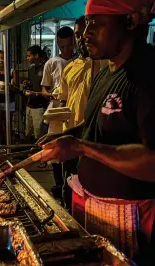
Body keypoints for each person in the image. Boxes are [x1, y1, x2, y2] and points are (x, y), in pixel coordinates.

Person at [37, 0, 155, 264]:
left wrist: (81, 147)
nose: (85, 33)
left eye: (96, 24)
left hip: (136, 221)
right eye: (85, 24)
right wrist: (68, 138)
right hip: (99, 212)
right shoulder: (106, 73)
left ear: (130, 22)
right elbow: (98, 130)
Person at [55, 17, 108, 211]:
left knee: (89, 186)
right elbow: (63, 100)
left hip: (93, 139)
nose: (82, 39)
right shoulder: (70, 67)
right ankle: (69, 213)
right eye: (78, 35)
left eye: (86, 33)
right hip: (70, 132)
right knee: (68, 181)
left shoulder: (105, 66)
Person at [40, 26, 75, 200]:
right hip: (55, 112)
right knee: (54, 147)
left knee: (71, 147)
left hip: (74, 112)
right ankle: (58, 183)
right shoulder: (52, 63)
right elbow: (44, 89)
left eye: (69, 46)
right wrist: (53, 96)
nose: (67, 50)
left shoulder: (81, 63)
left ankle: (70, 185)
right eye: (63, 47)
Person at [0, 50, 18, 144]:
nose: (1, 60)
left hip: (8, 101)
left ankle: (8, 146)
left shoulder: (12, 70)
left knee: (8, 126)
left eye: (3, 58)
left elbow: (16, 87)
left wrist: (9, 86)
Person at [24, 45, 48, 141]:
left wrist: (36, 93)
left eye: (29, 56)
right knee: (28, 132)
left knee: (39, 134)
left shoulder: (46, 68)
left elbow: (47, 89)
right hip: (30, 105)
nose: (27, 58)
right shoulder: (31, 69)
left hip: (39, 106)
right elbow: (30, 83)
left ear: (36, 56)